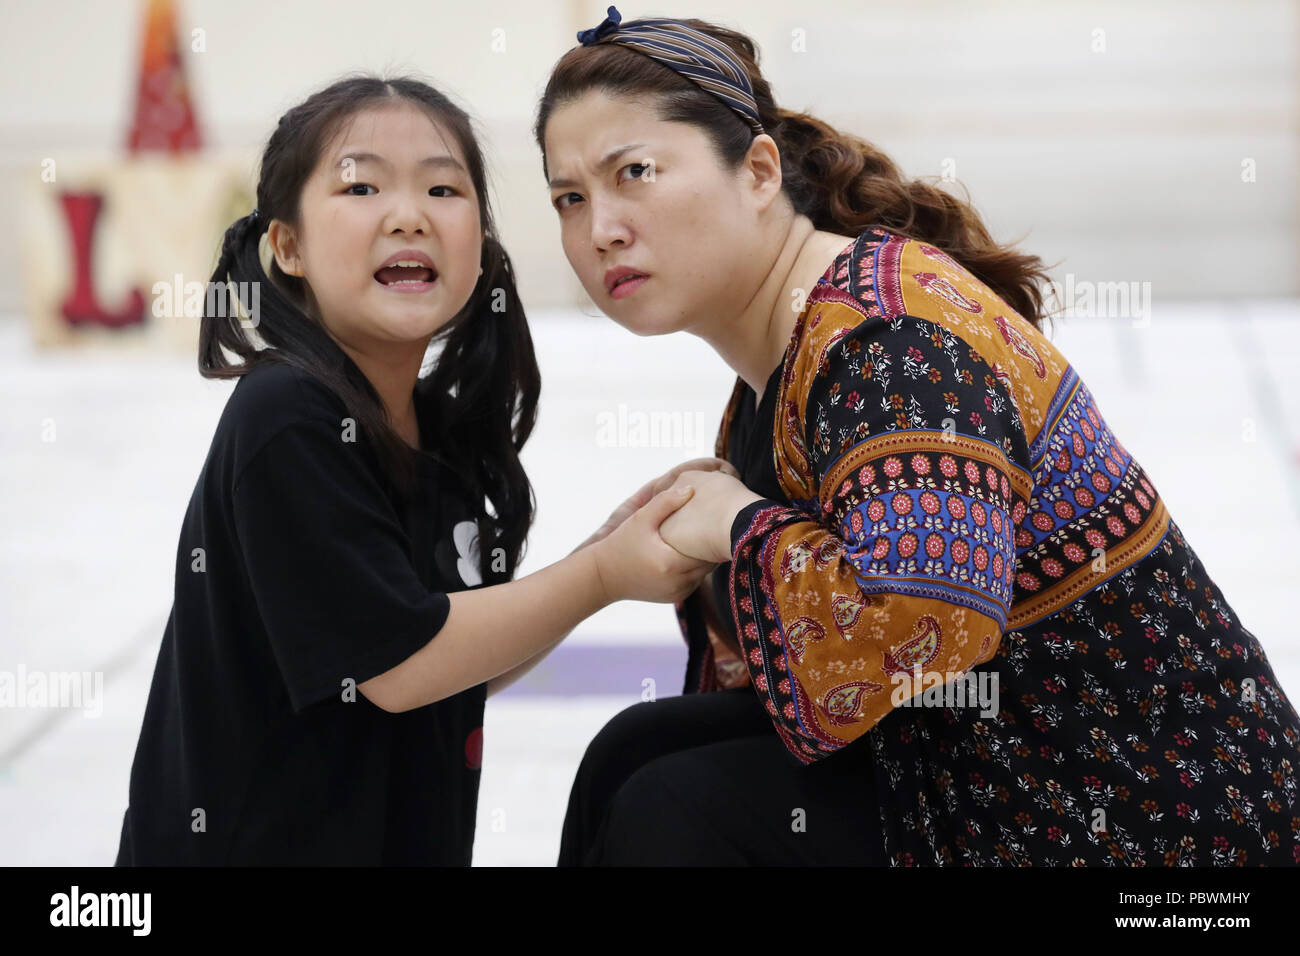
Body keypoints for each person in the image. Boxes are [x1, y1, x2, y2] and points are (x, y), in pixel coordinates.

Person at [538, 8, 1300, 865]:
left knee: (673, 809)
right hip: (993, 770)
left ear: (758, 172)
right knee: (634, 753)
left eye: (634, 172)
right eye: (569, 197)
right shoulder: (792, 341)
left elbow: (931, 614)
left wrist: (738, 526)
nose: (599, 227)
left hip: (1154, 835)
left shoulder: (889, 338)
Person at [114, 74, 736, 866]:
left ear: (480, 240)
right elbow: (399, 665)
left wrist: (606, 550)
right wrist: (604, 578)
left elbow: (450, 655)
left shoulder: (441, 435)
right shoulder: (287, 416)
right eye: (361, 186)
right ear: (287, 246)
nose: (408, 215)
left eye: (443, 188)